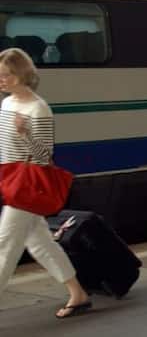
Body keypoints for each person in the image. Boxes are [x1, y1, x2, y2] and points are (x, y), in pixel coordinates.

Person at [0, 48, 91, 319]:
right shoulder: (7, 104)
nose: (1, 80)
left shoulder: (38, 108)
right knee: (39, 242)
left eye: (6, 75)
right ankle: (78, 293)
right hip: (10, 177)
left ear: (22, 74)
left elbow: (44, 156)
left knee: (5, 245)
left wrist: (25, 132)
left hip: (27, 185)